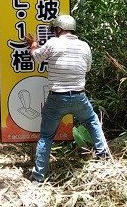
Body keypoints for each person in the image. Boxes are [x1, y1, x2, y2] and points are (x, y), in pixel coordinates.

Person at [24, 14, 109, 184]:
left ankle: (38, 178)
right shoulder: (85, 46)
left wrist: (33, 45)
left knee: (46, 137)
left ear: (59, 29)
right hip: (78, 96)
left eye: (55, 29)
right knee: (92, 121)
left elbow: (36, 57)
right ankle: (103, 155)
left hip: (57, 98)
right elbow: (87, 68)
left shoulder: (53, 43)